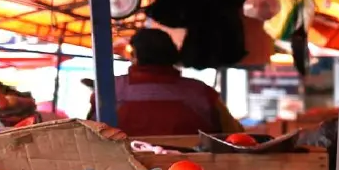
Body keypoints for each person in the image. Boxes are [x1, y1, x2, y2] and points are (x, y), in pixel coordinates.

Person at [86, 29, 243, 137]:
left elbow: (86, 134)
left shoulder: (108, 90)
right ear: (173, 54)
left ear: (135, 55)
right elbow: (236, 135)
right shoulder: (201, 93)